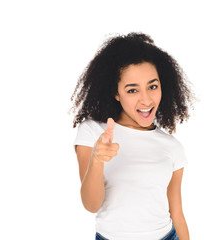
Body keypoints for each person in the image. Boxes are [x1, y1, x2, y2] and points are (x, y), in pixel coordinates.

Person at [70, 32, 195, 240]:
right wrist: (97, 159)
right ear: (116, 93)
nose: (146, 100)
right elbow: (91, 205)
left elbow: (178, 215)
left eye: (152, 86)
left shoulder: (172, 146)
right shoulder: (93, 133)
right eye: (132, 90)